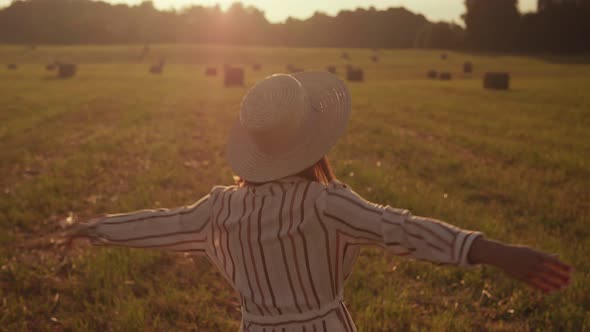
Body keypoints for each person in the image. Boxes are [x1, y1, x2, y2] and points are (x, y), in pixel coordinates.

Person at [64, 72, 572, 332]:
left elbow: (161, 225)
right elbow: (402, 230)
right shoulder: (326, 204)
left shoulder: (220, 208)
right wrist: (495, 251)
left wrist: (97, 226)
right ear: (313, 143)